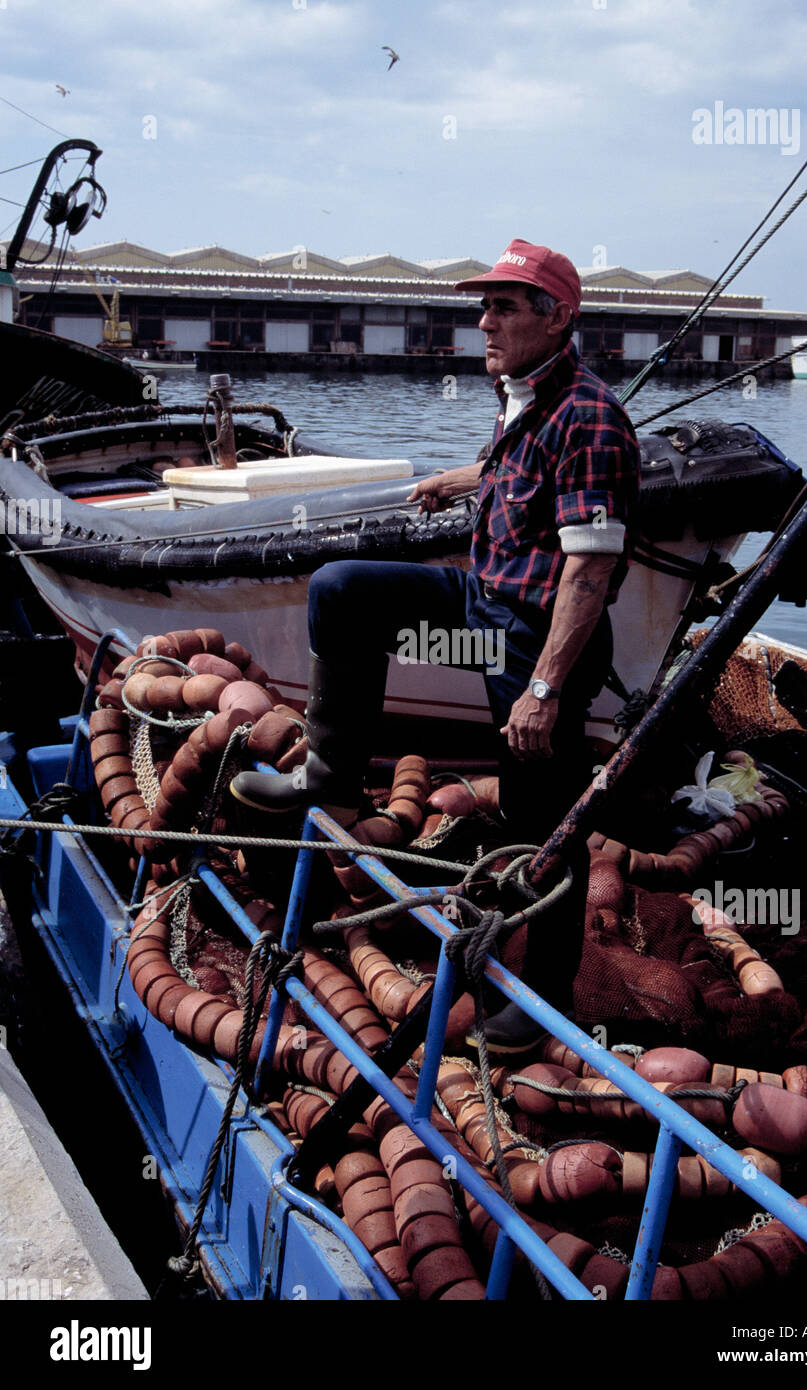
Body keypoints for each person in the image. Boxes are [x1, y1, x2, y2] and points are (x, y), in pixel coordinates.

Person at [231, 238, 640, 1050]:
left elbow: (591, 570)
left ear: (557, 317)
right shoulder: (523, 394)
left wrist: (546, 690)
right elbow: (521, 472)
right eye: (481, 305)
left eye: (503, 307)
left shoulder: (590, 415)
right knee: (343, 590)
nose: (483, 321)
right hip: (479, 607)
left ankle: (542, 997)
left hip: (533, 636)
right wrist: (466, 478)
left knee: (541, 819)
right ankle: (332, 782)